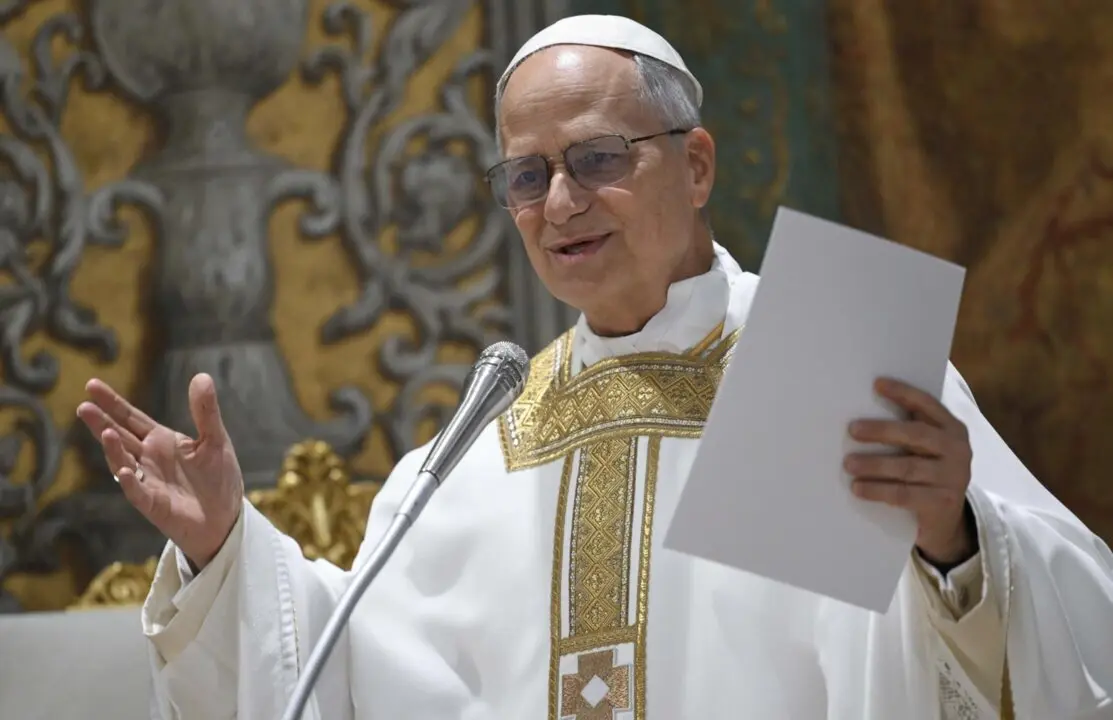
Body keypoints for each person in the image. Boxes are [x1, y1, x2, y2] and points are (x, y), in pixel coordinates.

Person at [77, 14, 1112, 720]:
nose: (560, 202)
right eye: (526, 175)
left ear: (697, 163)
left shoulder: (829, 360)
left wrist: (954, 538)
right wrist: (224, 551)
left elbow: (1068, 623)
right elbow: (355, 684)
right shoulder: (483, 439)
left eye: (598, 160)